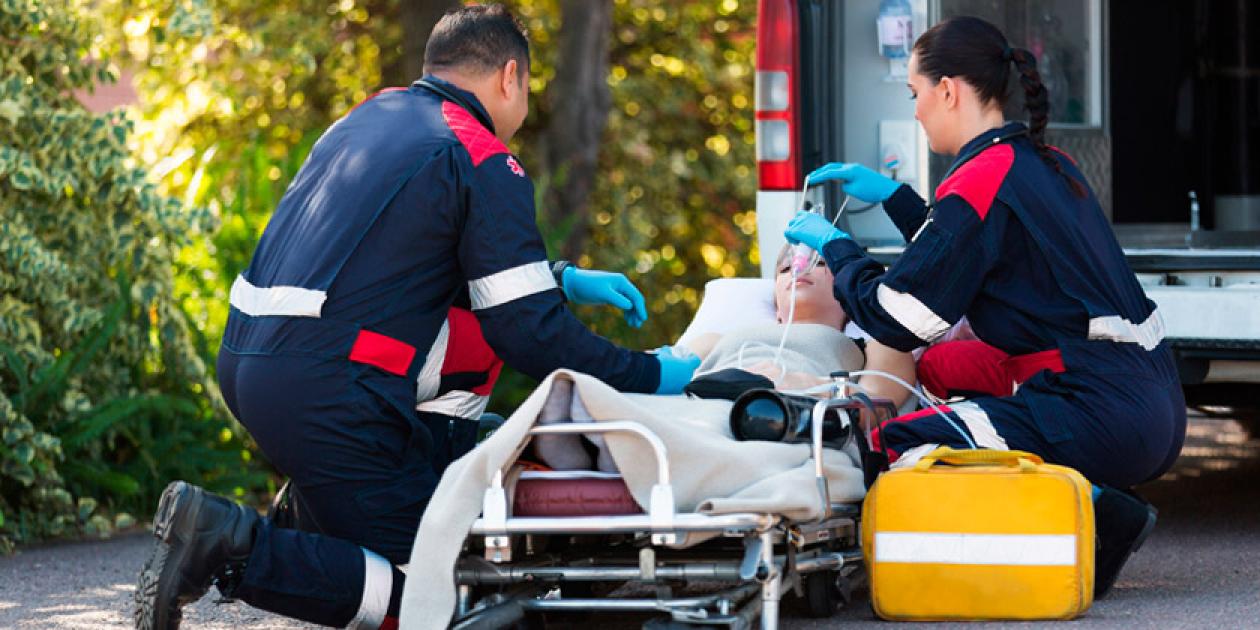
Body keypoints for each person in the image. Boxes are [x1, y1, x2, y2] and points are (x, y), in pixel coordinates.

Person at [133, 5, 700, 630]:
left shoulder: (369, 119)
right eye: (529, 89)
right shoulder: (482, 156)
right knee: (448, 593)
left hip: (252, 361)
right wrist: (649, 375)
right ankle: (229, 544)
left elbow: (399, 259)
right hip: (330, 391)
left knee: (401, 529)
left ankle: (310, 518)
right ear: (510, 76)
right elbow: (528, 332)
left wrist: (558, 278)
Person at [783, 16, 1185, 599]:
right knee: (947, 371)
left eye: (916, 94)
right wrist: (896, 198)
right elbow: (969, 245)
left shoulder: (981, 178)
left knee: (899, 443)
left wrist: (838, 249)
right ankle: (1097, 507)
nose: (916, 111)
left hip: (1099, 409)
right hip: (1149, 401)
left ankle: (1089, 516)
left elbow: (900, 317)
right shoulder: (1045, 163)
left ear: (948, 90)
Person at [685, 244, 916, 408]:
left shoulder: (879, 345)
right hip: (698, 410)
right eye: (785, 270)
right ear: (776, 306)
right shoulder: (714, 341)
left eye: (821, 263)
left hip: (780, 419)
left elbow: (878, 405)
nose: (799, 269)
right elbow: (660, 371)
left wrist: (808, 386)